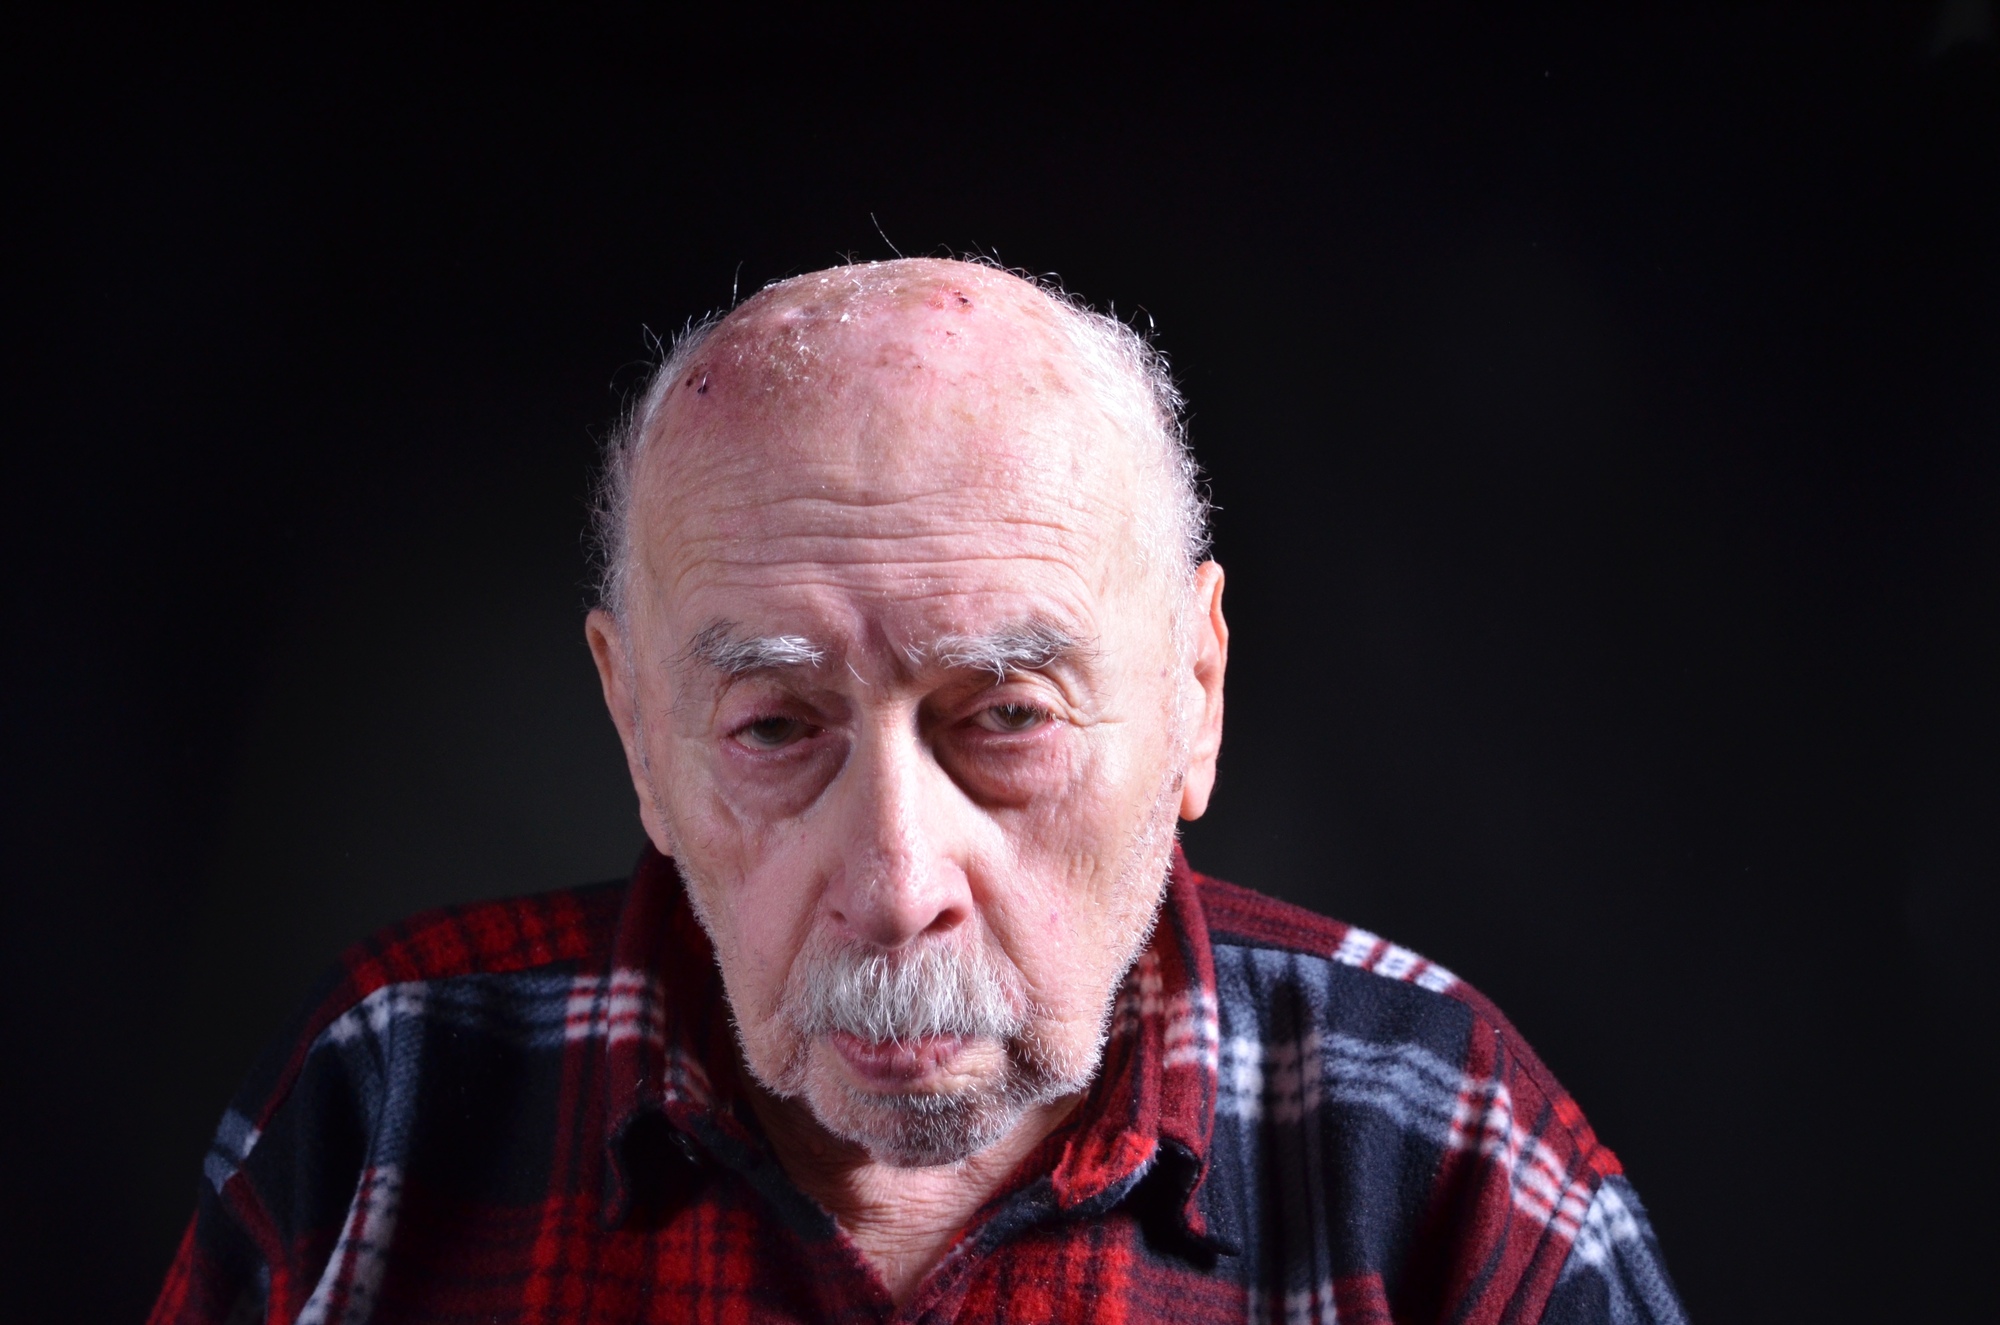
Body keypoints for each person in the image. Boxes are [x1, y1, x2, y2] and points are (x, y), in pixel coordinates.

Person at [149, 258, 1684, 1324]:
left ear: (1193, 692)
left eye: (1006, 717)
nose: (895, 883)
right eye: (775, 726)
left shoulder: (1447, 1151)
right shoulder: (383, 1110)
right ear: (638, 728)